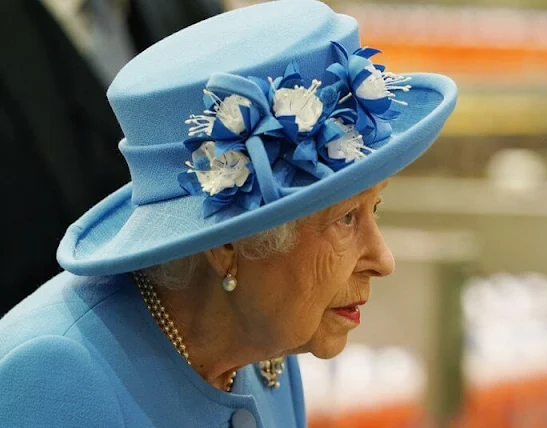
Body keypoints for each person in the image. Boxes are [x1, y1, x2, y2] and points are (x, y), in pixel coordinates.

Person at [0, 1, 457, 426]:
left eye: (374, 207)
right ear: (226, 246)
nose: (383, 260)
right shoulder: (58, 374)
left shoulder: (264, 350)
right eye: (345, 219)